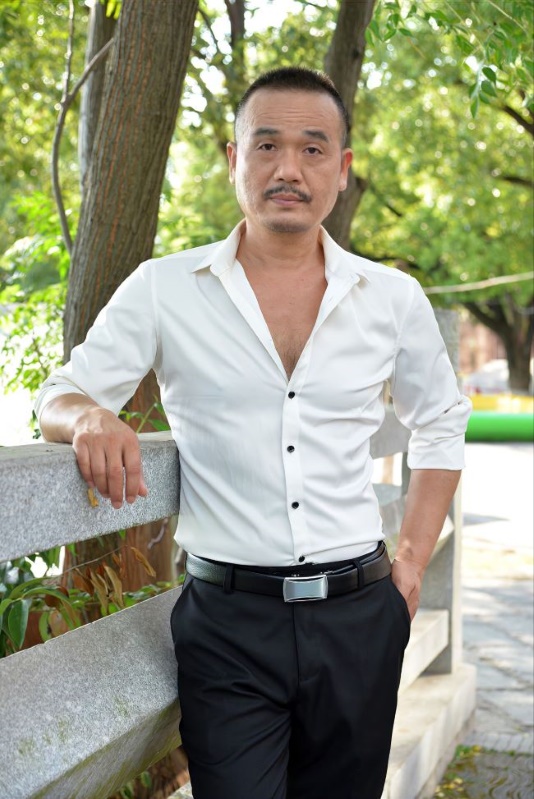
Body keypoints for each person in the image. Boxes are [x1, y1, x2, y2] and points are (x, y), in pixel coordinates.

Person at [36, 67, 471, 799]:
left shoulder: (392, 297)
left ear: (342, 169)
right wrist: (88, 415)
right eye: (267, 145)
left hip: (359, 614)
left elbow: (442, 420)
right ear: (234, 159)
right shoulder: (164, 288)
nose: (288, 169)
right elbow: (59, 393)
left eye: (312, 149)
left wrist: (412, 561)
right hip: (228, 624)